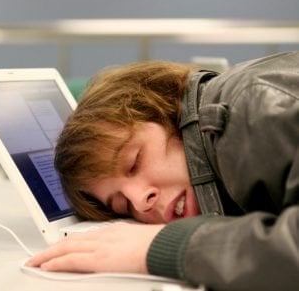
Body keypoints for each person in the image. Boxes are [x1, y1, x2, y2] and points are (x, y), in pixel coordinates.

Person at [27, 51, 299, 291]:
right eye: (123, 205)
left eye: (135, 161)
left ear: (167, 110)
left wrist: (162, 247)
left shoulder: (255, 106)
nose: (139, 201)